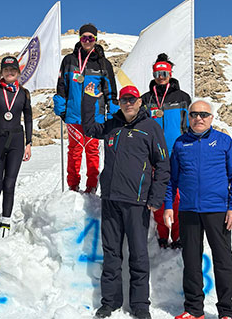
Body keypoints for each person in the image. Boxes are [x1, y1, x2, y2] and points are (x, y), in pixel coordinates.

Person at [80, 82, 168, 319]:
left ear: (140, 102)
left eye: (132, 100)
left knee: (138, 255)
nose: (128, 104)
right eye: (124, 100)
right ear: (119, 103)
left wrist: (156, 196)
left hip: (137, 202)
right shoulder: (112, 125)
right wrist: (88, 98)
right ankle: (110, 302)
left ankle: (140, 305)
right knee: (111, 254)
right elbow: (88, 128)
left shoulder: (150, 128)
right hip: (111, 200)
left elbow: (162, 164)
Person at [163, 100, 232, 319]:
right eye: (194, 115)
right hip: (189, 211)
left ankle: (227, 311)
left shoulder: (223, 141)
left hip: (218, 211)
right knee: (191, 261)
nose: (198, 118)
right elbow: (172, 180)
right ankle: (193, 309)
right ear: (188, 117)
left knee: (223, 260)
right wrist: (169, 206)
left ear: (211, 118)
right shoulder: (181, 143)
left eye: (203, 115)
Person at [53, 23, 119, 194]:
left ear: (96, 40)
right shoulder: (69, 60)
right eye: (84, 37)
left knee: (92, 152)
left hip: (95, 117)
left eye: (91, 38)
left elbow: (110, 91)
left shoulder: (104, 64)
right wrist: (61, 109)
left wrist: (112, 114)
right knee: (74, 151)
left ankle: (91, 186)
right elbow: (61, 86)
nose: (87, 41)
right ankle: (73, 185)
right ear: (80, 39)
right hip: (73, 115)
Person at [139, 53, 191, 250]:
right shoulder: (146, 99)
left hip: (176, 156)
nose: (161, 76)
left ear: (170, 73)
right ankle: (162, 235)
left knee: (177, 198)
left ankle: (178, 236)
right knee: (158, 197)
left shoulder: (183, 98)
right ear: (153, 74)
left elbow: (188, 127)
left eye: (164, 72)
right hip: (154, 157)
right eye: (157, 72)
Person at [0, 56, 33, 238]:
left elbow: (28, 118)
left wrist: (29, 143)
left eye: (13, 70)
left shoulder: (23, 93)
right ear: (1, 72)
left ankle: (6, 220)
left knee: (9, 184)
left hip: (17, 141)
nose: (9, 72)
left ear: (18, 72)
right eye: (6, 70)